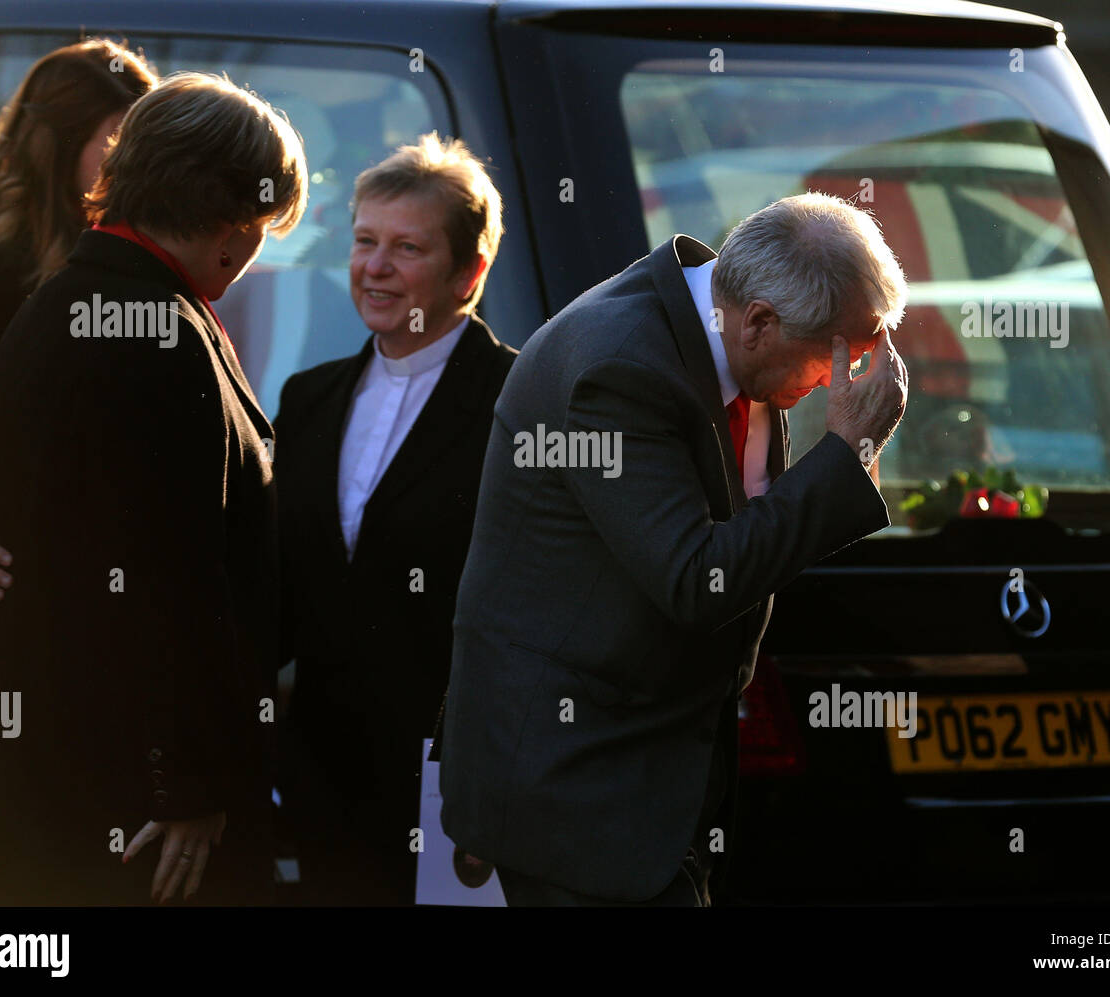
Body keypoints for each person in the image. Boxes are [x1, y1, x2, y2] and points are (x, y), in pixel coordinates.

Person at [439, 192, 910, 905]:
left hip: (664, 775)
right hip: (576, 785)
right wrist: (846, 454)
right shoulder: (620, 364)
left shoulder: (731, 333)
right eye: (832, 358)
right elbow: (697, 580)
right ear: (758, 322)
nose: (835, 385)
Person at [0, 71, 308, 905]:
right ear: (228, 213)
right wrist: (188, 784)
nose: (257, 247)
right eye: (261, 219)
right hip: (129, 811)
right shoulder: (150, 325)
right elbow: (167, 578)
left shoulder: (88, 296)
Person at [275, 132, 515, 905]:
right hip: (319, 781)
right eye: (364, 241)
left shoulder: (521, 402)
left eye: (406, 247)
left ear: (469, 271)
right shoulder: (307, 398)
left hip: (461, 784)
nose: (373, 267)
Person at [0, 39, 156, 614]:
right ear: (56, 150)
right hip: (22, 608)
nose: (142, 168)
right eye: (122, 143)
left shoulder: (139, 272)